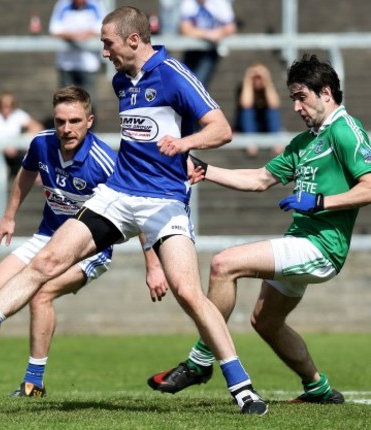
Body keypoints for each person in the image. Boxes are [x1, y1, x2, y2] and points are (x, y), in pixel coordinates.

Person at [0, 6, 268, 415]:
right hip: (117, 196)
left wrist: (185, 145)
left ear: (133, 40)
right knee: (47, 260)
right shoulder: (122, 81)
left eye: (108, 43)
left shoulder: (173, 74)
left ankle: (242, 387)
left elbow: (221, 128)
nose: (104, 53)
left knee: (188, 293)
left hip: (164, 202)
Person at [150, 54, 371, 404]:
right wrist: (207, 171)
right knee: (265, 321)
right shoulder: (304, 143)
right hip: (302, 241)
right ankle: (319, 389)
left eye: (302, 97)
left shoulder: (345, 131)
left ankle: (200, 360)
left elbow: (370, 187)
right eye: (293, 98)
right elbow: (259, 179)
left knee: (224, 264)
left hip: (322, 246)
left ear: (326, 92)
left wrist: (319, 203)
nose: (296, 106)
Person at [0, 86, 167, 397]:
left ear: (90, 121)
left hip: (90, 249)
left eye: (74, 121)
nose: (66, 129)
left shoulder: (105, 162)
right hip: (46, 238)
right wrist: (9, 216)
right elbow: (26, 174)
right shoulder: (42, 143)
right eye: (60, 121)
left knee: (41, 292)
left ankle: (34, 382)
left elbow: (137, 214)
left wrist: (153, 266)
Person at [48, 0, 106, 105]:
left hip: (88, 63)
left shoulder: (95, 5)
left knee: (88, 101)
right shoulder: (63, 4)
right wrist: (72, 36)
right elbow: (54, 28)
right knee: (65, 100)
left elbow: (103, 27)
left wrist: (87, 33)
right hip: (66, 63)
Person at [179, 0, 237, 89]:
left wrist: (219, 32)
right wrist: (208, 34)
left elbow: (231, 27)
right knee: (183, 82)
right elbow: (185, 28)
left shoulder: (220, 3)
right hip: (191, 50)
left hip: (210, 50)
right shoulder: (189, 2)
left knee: (198, 84)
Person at [235, 62, 284, 157]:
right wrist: (248, 80)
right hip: (247, 127)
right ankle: (250, 143)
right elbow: (246, 104)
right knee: (247, 111)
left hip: (266, 126)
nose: (257, 80)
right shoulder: (243, 88)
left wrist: (267, 80)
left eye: (260, 77)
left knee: (272, 111)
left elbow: (274, 105)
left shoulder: (269, 88)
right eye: (255, 77)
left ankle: (275, 142)